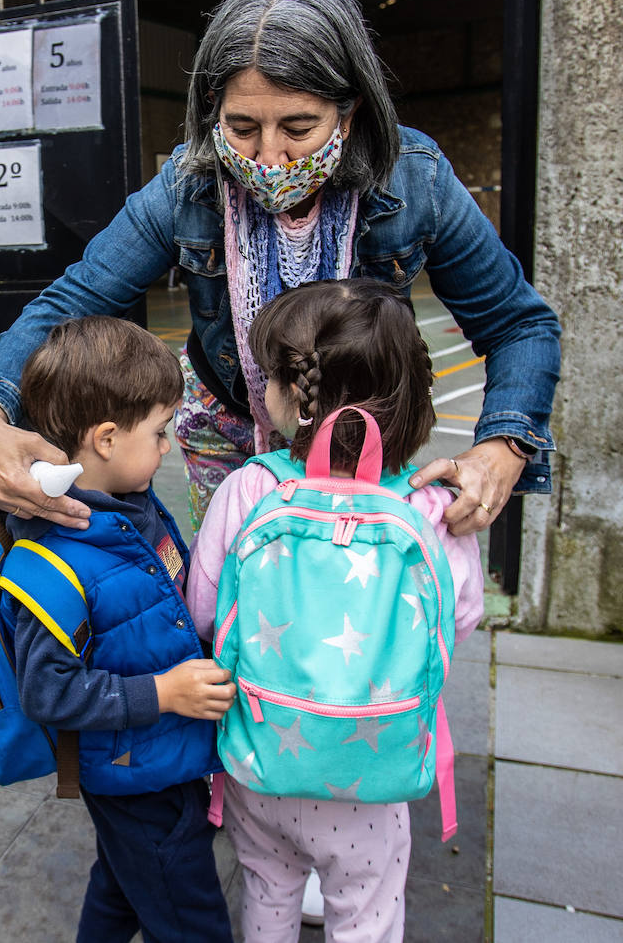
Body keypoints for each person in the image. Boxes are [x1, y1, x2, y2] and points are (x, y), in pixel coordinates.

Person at [0, 0, 560, 543]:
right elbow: (76, 297)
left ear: (349, 115)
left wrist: (502, 447)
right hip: (225, 425)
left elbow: (518, 324)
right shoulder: (188, 186)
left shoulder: (413, 181)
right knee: (229, 595)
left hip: (356, 438)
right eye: (241, 127)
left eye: (298, 128)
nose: (268, 157)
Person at [187, 279, 486, 941]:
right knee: (366, 909)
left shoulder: (249, 488)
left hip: (260, 756)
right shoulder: (429, 507)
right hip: (373, 773)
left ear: (298, 398)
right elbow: (459, 619)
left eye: (268, 376)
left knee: (267, 889)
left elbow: (204, 612)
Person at [4, 316, 236, 943]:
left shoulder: (132, 503)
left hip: (163, 759)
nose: (168, 447)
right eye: (160, 433)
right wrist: (164, 694)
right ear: (106, 438)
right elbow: (46, 692)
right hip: (138, 776)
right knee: (191, 918)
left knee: (124, 884)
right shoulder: (52, 562)